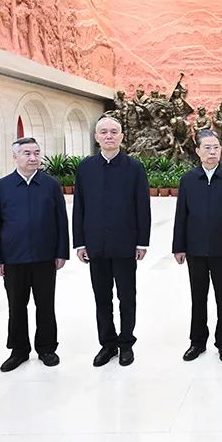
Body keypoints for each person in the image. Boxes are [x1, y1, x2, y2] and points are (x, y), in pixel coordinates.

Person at [73, 116, 151, 367]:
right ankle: (107, 344)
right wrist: (80, 243)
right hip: (95, 245)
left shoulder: (134, 168)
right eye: (104, 132)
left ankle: (126, 343)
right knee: (102, 298)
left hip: (125, 244)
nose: (109, 136)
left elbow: (143, 207)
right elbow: (79, 207)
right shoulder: (86, 168)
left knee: (127, 297)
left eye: (114, 131)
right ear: (96, 137)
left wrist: (142, 242)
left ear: (121, 136)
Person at [0, 137, 68, 372]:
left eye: (36, 153)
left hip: (45, 257)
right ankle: (19, 350)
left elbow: (61, 221)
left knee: (46, 305)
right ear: (15, 157)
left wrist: (61, 252)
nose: (33, 158)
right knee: (16, 306)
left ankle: (47, 348)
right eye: (27, 153)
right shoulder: (2, 187)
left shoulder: (51, 185)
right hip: (13, 258)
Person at [172, 130, 222, 363]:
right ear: (198, 151)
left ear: (221, 150)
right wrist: (178, 246)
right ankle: (197, 342)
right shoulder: (188, 180)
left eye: (216, 147)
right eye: (207, 148)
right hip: (195, 250)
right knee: (198, 297)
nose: (212, 152)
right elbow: (181, 215)